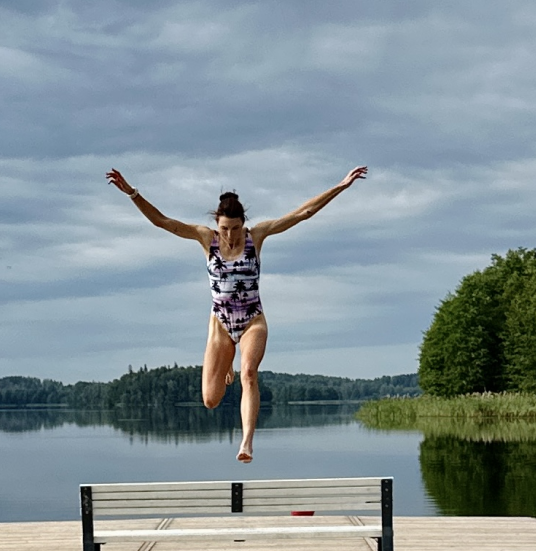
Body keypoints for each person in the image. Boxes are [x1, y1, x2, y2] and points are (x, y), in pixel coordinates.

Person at [105, 167, 368, 462]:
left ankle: (246, 442)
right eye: (224, 228)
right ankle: (227, 357)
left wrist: (341, 186)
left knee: (250, 375)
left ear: (243, 223)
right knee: (210, 400)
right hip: (220, 323)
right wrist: (131, 192)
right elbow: (162, 222)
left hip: (252, 319)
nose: (229, 235)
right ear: (217, 225)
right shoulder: (207, 238)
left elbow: (302, 213)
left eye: (234, 228)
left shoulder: (257, 236)